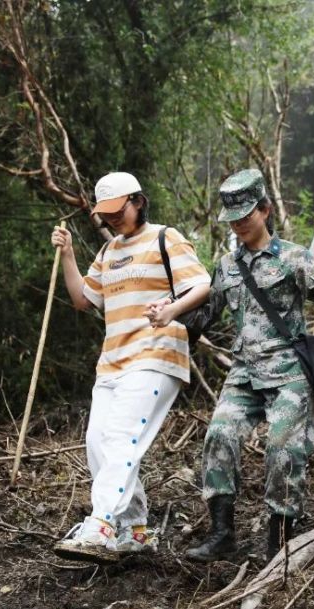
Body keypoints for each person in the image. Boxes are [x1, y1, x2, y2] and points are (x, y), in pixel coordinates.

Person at [185, 169, 314, 563]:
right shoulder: (225, 265)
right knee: (219, 437)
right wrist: (167, 309)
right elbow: (204, 316)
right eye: (233, 217)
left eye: (246, 214)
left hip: (288, 372)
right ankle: (222, 533)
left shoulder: (292, 257)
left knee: (283, 450)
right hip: (243, 372)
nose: (240, 223)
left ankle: (281, 537)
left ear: (265, 210)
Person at [51, 172, 211, 561]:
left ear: (138, 201)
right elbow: (83, 300)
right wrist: (68, 254)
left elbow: (202, 282)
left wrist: (171, 309)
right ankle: (134, 529)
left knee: (122, 437)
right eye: (104, 214)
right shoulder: (108, 253)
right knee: (97, 444)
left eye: (117, 210)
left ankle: (101, 523)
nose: (111, 219)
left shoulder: (165, 237)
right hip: (112, 362)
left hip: (156, 355)